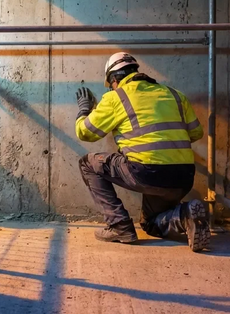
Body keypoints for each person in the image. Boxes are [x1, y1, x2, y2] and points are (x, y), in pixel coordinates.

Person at [75, 52, 210, 252]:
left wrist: (84, 111)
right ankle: (184, 215)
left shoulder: (116, 97)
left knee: (87, 163)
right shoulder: (175, 94)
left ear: (114, 79)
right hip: (183, 177)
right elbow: (196, 133)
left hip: (146, 172)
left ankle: (119, 226)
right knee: (150, 223)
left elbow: (84, 132)